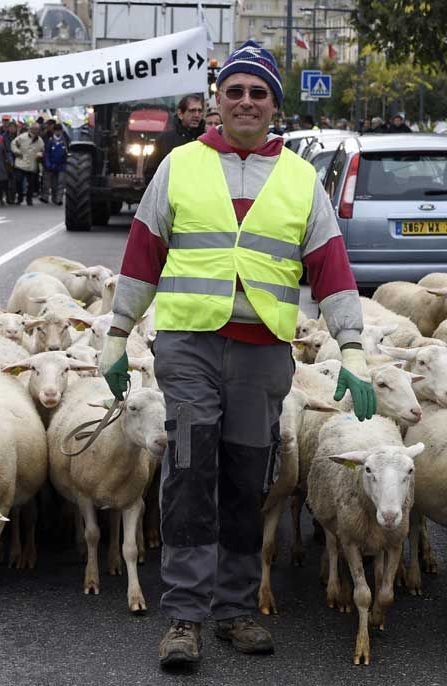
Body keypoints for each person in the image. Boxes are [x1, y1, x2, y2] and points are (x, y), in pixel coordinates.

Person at [99, 40, 374, 669]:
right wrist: (116, 333)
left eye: (259, 93)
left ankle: (237, 608)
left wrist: (352, 348)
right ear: (216, 102)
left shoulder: (301, 178)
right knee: (190, 474)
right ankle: (186, 616)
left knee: (250, 479)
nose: (246, 102)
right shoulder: (179, 166)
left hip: (262, 356)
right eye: (236, 92)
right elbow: (143, 253)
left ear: (275, 104)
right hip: (190, 348)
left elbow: (330, 269)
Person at [145, 94, 205, 179]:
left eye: (199, 111)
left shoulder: (207, 139)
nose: (197, 115)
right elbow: (151, 174)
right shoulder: (164, 140)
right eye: (192, 111)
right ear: (180, 114)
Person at [11, 122, 44, 205]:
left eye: (37, 129)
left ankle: (29, 199)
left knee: (31, 184)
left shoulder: (40, 140)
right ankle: (20, 197)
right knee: (18, 181)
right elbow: (13, 144)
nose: (36, 131)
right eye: (34, 129)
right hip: (21, 163)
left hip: (32, 165)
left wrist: (40, 154)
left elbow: (42, 150)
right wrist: (16, 152)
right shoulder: (22, 137)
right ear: (31, 129)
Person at [42, 125, 67, 205]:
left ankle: (59, 199)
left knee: (61, 183)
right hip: (52, 165)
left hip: (62, 166)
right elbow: (47, 153)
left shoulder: (65, 141)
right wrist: (48, 164)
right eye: (56, 130)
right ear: (54, 131)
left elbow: (68, 153)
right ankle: (54, 198)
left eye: (59, 130)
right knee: (53, 184)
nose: (58, 132)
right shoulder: (50, 141)